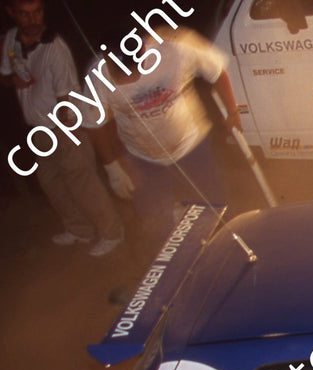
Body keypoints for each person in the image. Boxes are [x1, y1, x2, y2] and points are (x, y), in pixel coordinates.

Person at [83, 25, 238, 245]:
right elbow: (94, 123)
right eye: (121, 70)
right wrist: (113, 168)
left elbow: (217, 70)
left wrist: (232, 111)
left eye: (133, 65)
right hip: (142, 157)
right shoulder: (98, 76)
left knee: (214, 209)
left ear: (144, 47)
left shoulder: (176, 48)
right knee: (156, 225)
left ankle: (225, 250)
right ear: (106, 57)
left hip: (190, 144)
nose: (129, 75)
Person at [1, 0, 124, 256]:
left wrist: (65, 129)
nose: (33, 20)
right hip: (37, 128)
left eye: (37, 12)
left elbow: (64, 96)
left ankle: (112, 232)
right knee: (51, 182)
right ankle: (79, 229)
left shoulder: (54, 48)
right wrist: (12, 79)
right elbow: (4, 73)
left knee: (82, 181)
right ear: (11, 13)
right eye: (25, 14)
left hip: (62, 126)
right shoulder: (11, 39)